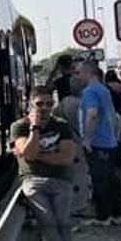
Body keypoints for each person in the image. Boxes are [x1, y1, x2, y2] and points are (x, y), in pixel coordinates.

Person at [11, 86, 78, 241]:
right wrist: (35, 129)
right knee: (48, 221)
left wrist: (38, 156)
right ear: (30, 103)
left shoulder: (61, 125)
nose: (45, 108)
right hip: (33, 181)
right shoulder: (20, 126)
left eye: (50, 103)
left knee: (63, 222)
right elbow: (29, 154)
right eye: (40, 104)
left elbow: (66, 158)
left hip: (61, 180)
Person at [78, 61, 121, 226]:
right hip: (110, 140)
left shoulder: (89, 92)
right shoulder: (104, 90)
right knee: (112, 178)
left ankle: (102, 217)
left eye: (80, 73)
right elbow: (113, 116)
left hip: (98, 142)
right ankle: (117, 214)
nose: (79, 77)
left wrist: (87, 139)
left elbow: (92, 114)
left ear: (89, 74)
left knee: (99, 179)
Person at [52, 75, 92, 217]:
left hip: (68, 142)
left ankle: (73, 204)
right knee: (83, 174)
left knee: (71, 176)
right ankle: (83, 204)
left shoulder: (63, 103)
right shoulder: (84, 103)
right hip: (83, 142)